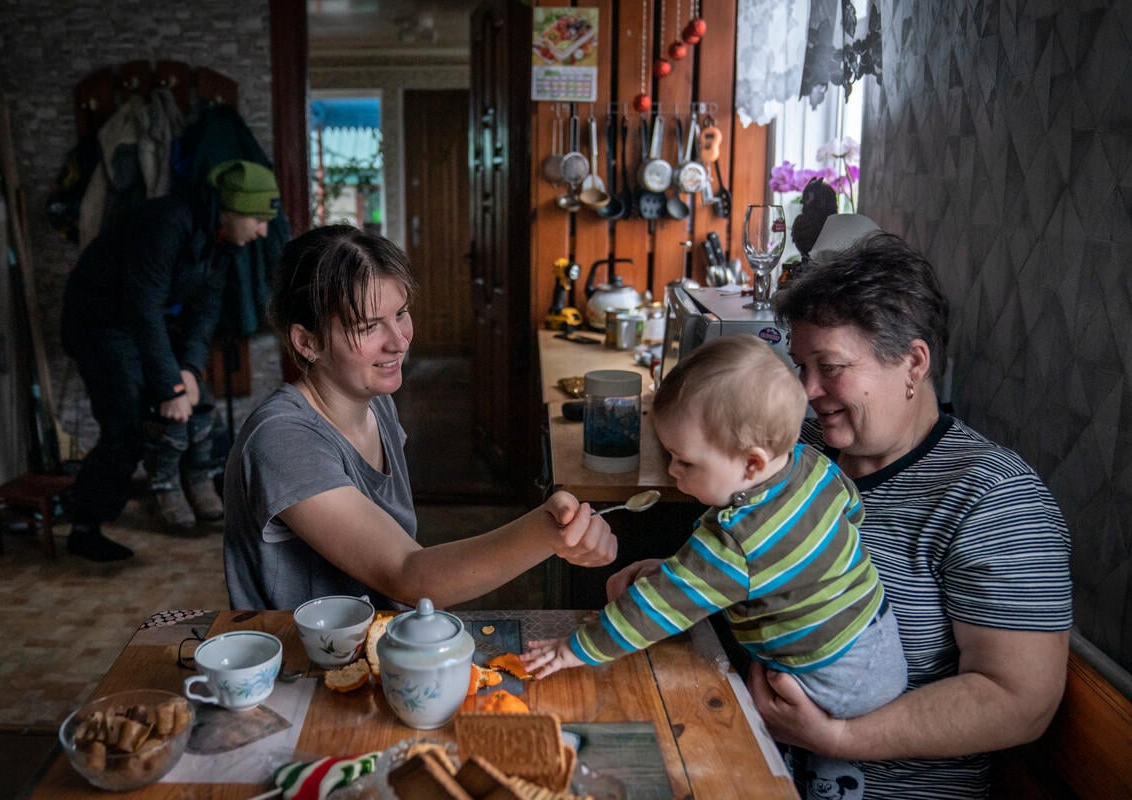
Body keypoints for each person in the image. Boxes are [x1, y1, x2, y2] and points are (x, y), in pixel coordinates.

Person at [610, 233, 1074, 798]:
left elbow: (1018, 702)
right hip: (730, 746)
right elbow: (760, 571)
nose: (806, 392)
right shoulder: (797, 448)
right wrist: (677, 582)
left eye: (829, 367)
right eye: (800, 366)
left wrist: (840, 737)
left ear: (913, 362)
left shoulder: (994, 500)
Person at [221, 224, 616, 611]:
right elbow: (407, 574)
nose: (399, 341)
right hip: (303, 667)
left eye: (401, 314)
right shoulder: (281, 440)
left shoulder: (376, 403)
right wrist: (544, 532)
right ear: (307, 342)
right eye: (369, 326)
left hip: (377, 647)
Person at [521, 335, 908, 724]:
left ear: (752, 465)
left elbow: (658, 606)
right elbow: (853, 513)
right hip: (879, 632)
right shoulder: (813, 465)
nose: (672, 471)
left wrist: (574, 649)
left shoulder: (735, 541)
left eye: (684, 461)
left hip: (829, 672)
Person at [61, 159, 279, 561]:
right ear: (231, 209)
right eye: (258, 218)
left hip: (149, 321)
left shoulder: (224, 242)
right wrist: (169, 386)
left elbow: (205, 313)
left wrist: (190, 371)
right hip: (101, 323)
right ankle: (85, 525)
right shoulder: (168, 223)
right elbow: (142, 306)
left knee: (198, 399)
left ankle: (194, 482)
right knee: (125, 422)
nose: (263, 230)